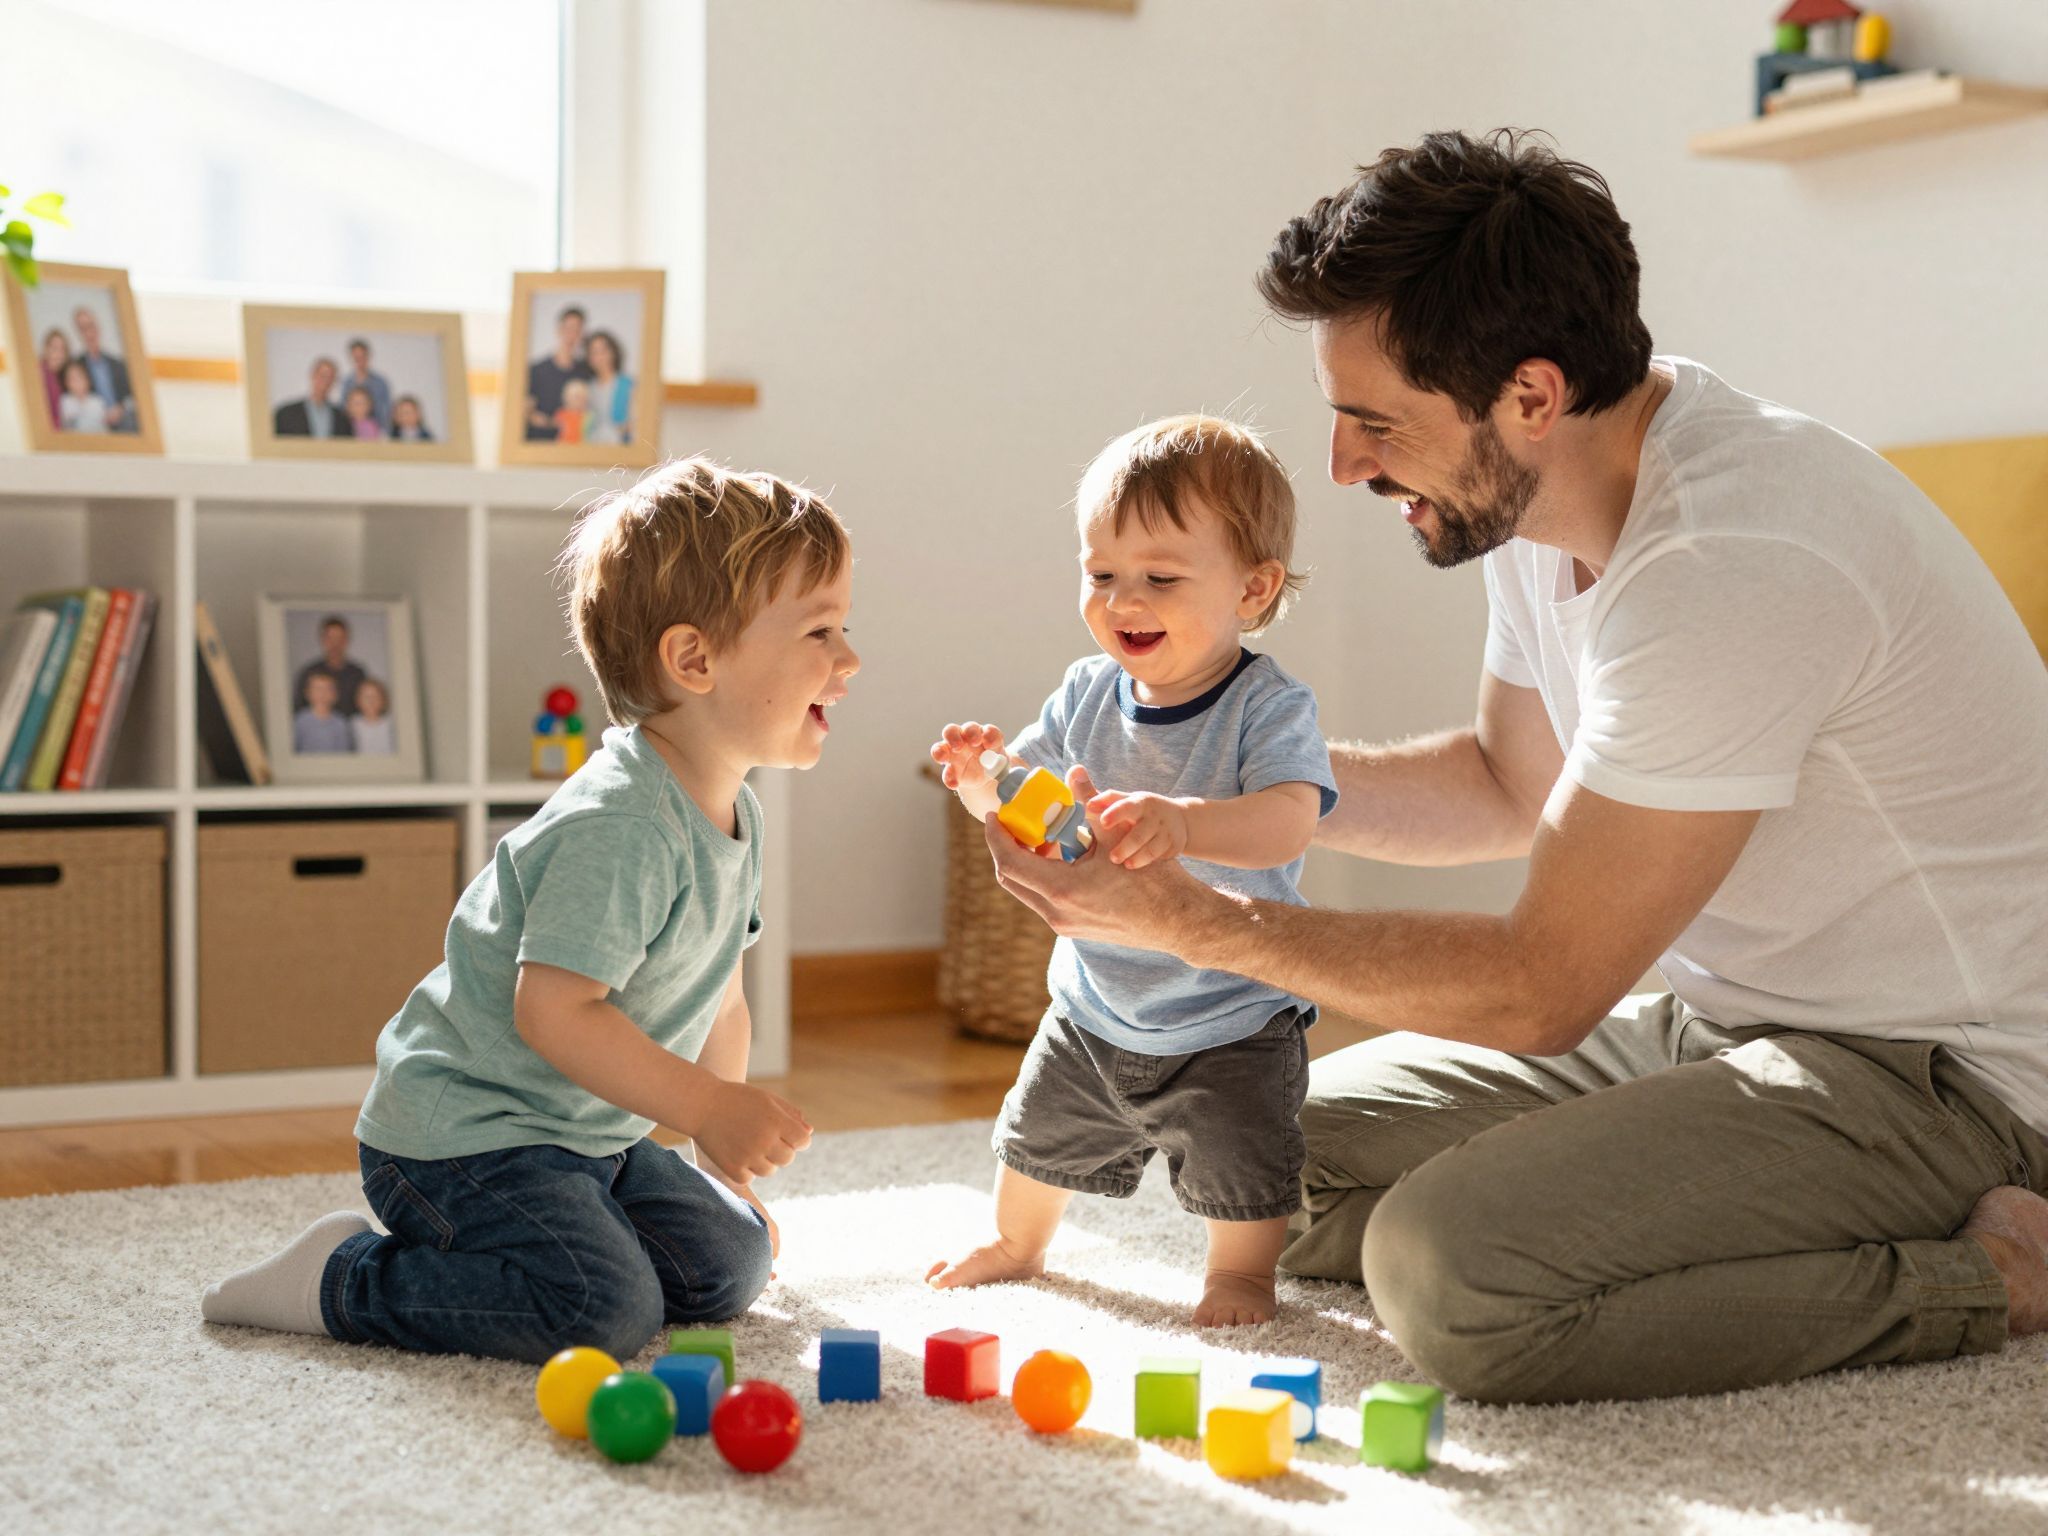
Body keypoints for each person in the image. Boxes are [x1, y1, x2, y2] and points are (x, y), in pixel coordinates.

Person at [980, 129, 2048, 1403]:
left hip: (1934, 1073)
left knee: (1454, 1278)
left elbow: (1543, 986)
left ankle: (1993, 1273)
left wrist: (1194, 922)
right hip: (1710, 1022)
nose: (1343, 467)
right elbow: (1502, 782)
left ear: (1529, 397)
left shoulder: (1728, 563)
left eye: (1374, 423)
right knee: (1267, 1159)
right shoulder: (1544, 495)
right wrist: (1210, 804)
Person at [200, 456, 859, 1364]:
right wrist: (705, 1104)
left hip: (585, 1135)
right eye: (820, 632)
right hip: (464, 1140)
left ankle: (571, 1241)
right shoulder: (623, 827)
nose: (850, 659)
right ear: (694, 659)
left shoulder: (734, 807)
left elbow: (723, 1000)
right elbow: (553, 1012)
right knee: (601, 1312)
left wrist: (718, 1157)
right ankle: (342, 1277)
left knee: (730, 1263)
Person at [926, 416, 1337, 1327]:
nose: (1123, 600)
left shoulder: (1266, 707)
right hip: (1095, 1004)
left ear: (1254, 589)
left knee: (1244, 1163)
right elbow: (1032, 801)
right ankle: (1019, 1244)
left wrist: (1185, 824)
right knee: (1034, 1140)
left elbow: (1287, 820)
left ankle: (1239, 1275)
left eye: (1159, 578)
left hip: (1229, 1014)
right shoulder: (1084, 692)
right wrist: (981, 782)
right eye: (1101, 574)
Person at [524, 303, 592, 441]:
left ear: (582, 335)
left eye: (577, 330)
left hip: (573, 448)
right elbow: (526, 411)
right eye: (568, 328)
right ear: (559, 330)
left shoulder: (585, 372)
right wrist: (541, 420)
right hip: (539, 443)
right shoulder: (537, 369)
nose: (572, 335)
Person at [71, 305, 134, 432]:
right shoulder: (76, 366)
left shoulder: (118, 364)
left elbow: (131, 395)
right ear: (78, 333)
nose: (89, 333)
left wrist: (120, 409)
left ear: (98, 327)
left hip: (123, 421)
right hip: (94, 425)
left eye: (91, 326)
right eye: (83, 329)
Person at [293, 616, 365, 715]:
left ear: (347, 640)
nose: (335, 644)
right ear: (322, 640)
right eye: (330, 638)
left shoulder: (358, 673)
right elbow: (298, 708)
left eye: (339, 638)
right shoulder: (309, 672)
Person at [584, 329, 634, 445]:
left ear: (613, 353)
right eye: (594, 352)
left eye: (603, 351)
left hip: (620, 449)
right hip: (592, 448)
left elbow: (635, 424)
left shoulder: (628, 385)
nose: (600, 357)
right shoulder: (588, 388)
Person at [274, 358, 341, 439]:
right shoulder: (286, 414)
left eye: (331, 377)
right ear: (313, 376)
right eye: (323, 376)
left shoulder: (341, 418)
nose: (326, 381)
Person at [336, 339, 392, 432]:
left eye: (362, 357)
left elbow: (386, 412)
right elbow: (343, 409)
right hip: (350, 432)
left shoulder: (381, 383)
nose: (359, 361)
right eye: (356, 358)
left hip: (375, 433)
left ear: (368, 356)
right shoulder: (346, 383)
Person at [292, 672, 353, 754]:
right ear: (307, 693)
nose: (322, 694)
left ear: (335, 695)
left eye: (328, 689)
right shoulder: (299, 721)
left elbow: (344, 752)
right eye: (318, 689)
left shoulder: (341, 722)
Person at [57, 358, 110, 433]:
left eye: (80, 377)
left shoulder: (97, 402)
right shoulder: (64, 402)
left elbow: (105, 429)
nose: (77, 382)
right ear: (66, 383)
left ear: (87, 380)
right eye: (72, 379)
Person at [350, 677, 396, 754]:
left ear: (383, 700)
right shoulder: (352, 724)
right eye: (366, 697)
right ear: (358, 701)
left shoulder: (391, 724)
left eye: (376, 696)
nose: (371, 701)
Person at [38, 327, 71, 425]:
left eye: (62, 350)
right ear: (46, 349)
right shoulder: (38, 372)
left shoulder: (63, 376)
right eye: (54, 348)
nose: (58, 354)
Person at [553, 377, 592, 445]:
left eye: (582, 397)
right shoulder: (560, 414)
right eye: (576, 396)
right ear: (566, 397)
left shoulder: (590, 416)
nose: (580, 400)